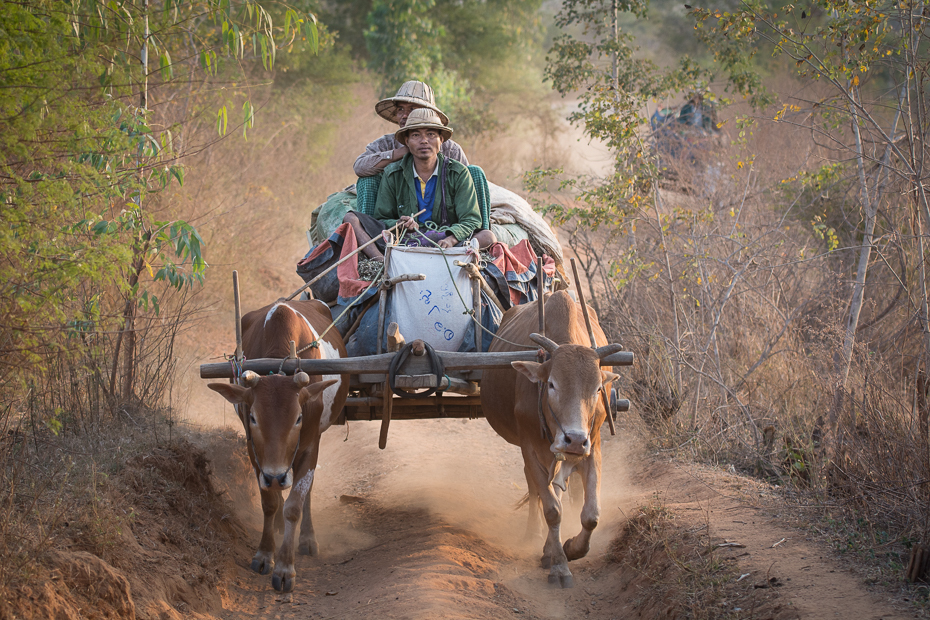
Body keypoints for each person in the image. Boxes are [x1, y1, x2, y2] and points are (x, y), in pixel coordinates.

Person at [345, 108, 495, 260]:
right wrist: (399, 224)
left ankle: (457, 252)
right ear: (406, 142)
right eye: (416, 135)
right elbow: (382, 218)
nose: (424, 141)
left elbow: (471, 219)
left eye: (431, 134)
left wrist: (452, 238)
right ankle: (380, 261)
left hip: (444, 239)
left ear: (441, 140)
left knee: (487, 236)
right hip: (404, 240)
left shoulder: (458, 172)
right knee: (351, 219)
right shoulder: (392, 172)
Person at [353, 81, 468, 177]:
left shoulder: (451, 150)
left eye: (412, 109)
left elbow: (467, 182)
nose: (404, 115)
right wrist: (398, 153)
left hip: (442, 202)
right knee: (367, 181)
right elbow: (360, 167)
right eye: (400, 109)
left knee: (475, 172)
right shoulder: (386, 144)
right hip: (395, 202)